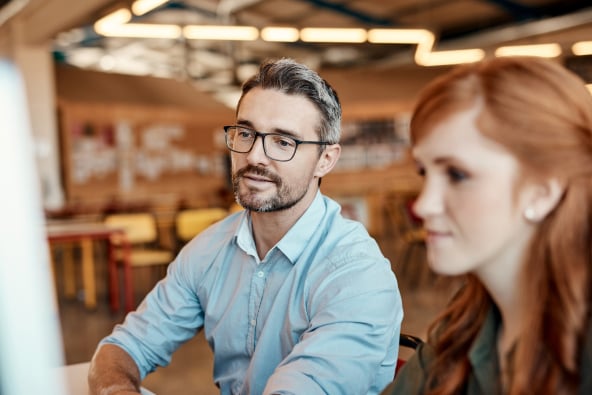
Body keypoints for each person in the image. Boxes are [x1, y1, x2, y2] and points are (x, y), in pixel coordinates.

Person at [89, 58, 403, 395]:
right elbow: (123, 346)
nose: (254, 156)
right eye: (246, 133)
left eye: (284, 142)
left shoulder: (357, 275)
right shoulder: (208, 251)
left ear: (325, 160)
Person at [382, 56, 592, 395]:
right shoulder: (466, 324)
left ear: (542, 193)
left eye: (457, 174)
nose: (423, 205)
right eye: (424, 172)